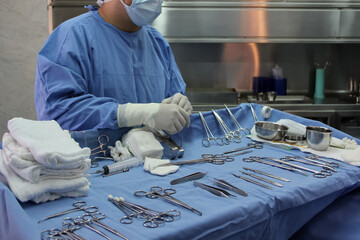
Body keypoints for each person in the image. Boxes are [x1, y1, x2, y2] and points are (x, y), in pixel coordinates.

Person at [34, 0, 192, 140]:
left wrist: (179, 106)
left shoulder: (157, 42)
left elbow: (174, 98)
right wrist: (131, 114)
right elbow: (59, 114)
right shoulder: (71, 37)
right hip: (91, 164)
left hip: (154, 161)